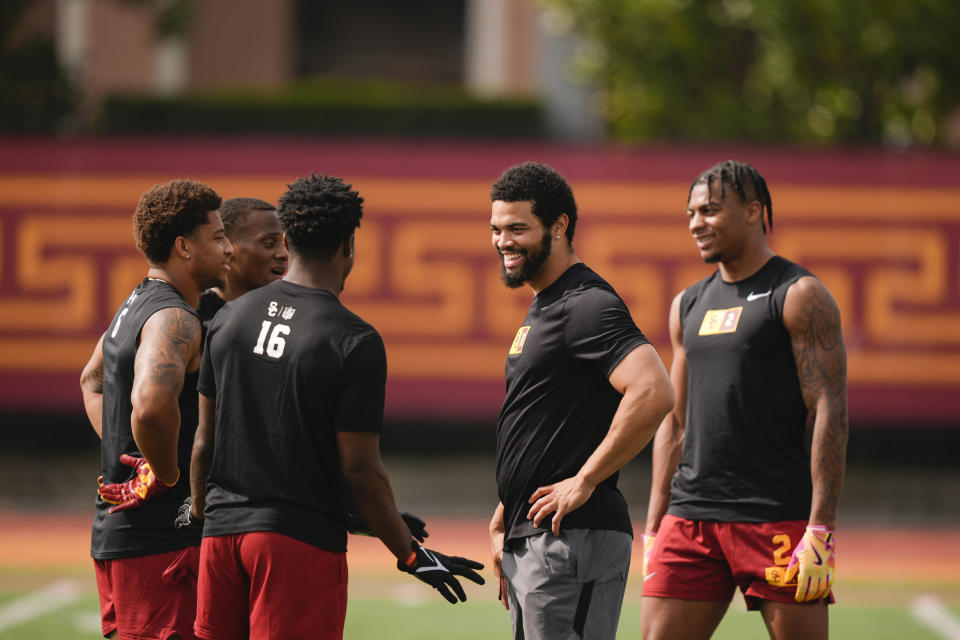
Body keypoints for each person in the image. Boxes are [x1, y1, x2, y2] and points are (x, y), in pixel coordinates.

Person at [184, 173, 484, 640]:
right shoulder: (353, 339)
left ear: (290, 240)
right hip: (296, 544)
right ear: (348, 245)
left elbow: (205, 439)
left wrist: (204, 516)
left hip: (220, 537)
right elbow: (361, 471)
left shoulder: (227, 317)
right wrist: (407, 552)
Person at [640, 160, 848, 640]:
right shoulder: (687, 304)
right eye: (691, 213)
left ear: (754, 211)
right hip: (690, 518)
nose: (696, 223)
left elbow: (828, 411)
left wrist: (822, 527)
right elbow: (674, 421)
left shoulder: (799, 295)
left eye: (710, 210)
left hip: (776, 517)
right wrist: (654, 525)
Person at [487, 161, 675, 640]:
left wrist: (586, 479)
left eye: (517, 228)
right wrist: (507, 511)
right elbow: (547, 419)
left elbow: (654, 390)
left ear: (559, 226)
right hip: (536, 535)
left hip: (571, 539)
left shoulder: (586, 303)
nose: (503, 241)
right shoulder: (545, 304)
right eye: (496, 229)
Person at [188, 196, 427, 541]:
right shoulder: (190, 322)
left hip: (218, 528)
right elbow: (138, 398)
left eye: (279, 241)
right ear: (227, 248)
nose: (281, 255)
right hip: (248, 533)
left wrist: (353, 508)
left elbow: (283, 447)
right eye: (267, 243)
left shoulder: (235, 319)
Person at [79, 179, 232, 640]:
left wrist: (128, 452)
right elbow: (148, 407)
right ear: (184, 247)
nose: (228, 248)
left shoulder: (135, 302)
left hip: (119, 538)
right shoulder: (176, 318)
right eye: (218, 236)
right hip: (161, 544)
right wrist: (164, 475)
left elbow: (91, 381)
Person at [195, 197, 288, 324]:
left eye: (283, 244)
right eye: (270, 243)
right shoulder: (196, 321)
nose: (284, 254)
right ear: (227, 247)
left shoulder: (288, 315)